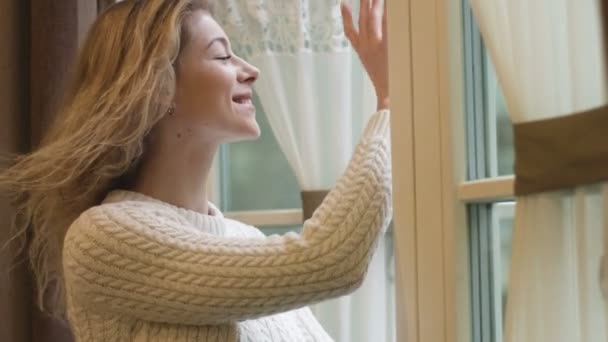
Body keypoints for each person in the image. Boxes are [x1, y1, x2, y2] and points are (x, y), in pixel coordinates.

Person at [0, 0, 391, 340]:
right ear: (157, 87)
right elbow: (330, 261)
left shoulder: (245, 239)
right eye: (222, 56)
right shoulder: (103, 237)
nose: (250, 70)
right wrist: (388, 103)